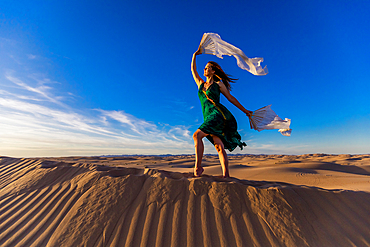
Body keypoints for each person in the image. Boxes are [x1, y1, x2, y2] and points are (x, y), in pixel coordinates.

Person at [191, 48, 253, 178]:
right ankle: (226, 175)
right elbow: (194, 71)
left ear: (213, 71)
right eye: (205, 68)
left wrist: (245, 111)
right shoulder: (201, 85)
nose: (205, 70)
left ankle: (198, 167)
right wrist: (194, 55)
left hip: (217, 115)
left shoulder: (218, 84)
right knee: (219, 146)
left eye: (207, 68)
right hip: (208, 116)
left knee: (197, 135)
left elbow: (230, 98)